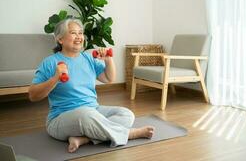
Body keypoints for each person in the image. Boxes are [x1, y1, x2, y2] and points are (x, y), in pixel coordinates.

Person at [28, 18, 154, 153]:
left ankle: (84, 139)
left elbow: (108, 78)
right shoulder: (50, 62)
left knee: (126, 114)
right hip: (60, 118)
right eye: (73, 33)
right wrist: (55, 79)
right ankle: (129, 134)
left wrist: (108, 60)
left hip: (93, 110)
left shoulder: (87, 58)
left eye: (81, 33)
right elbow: (33, 95)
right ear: (60, 39)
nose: (79, 37)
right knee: (85, 115)